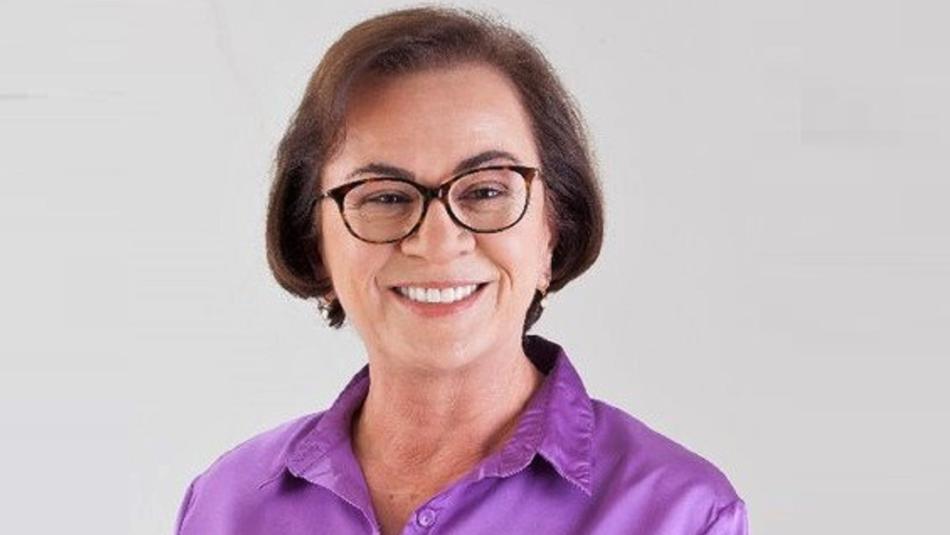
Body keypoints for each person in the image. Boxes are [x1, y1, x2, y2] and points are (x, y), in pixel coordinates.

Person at [174, 7, 748, 535]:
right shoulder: (228, 506)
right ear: (314, 242)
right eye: (384, 196)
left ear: (553, 230)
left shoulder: (680, 515)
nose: (437, 241)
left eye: (486, 191)